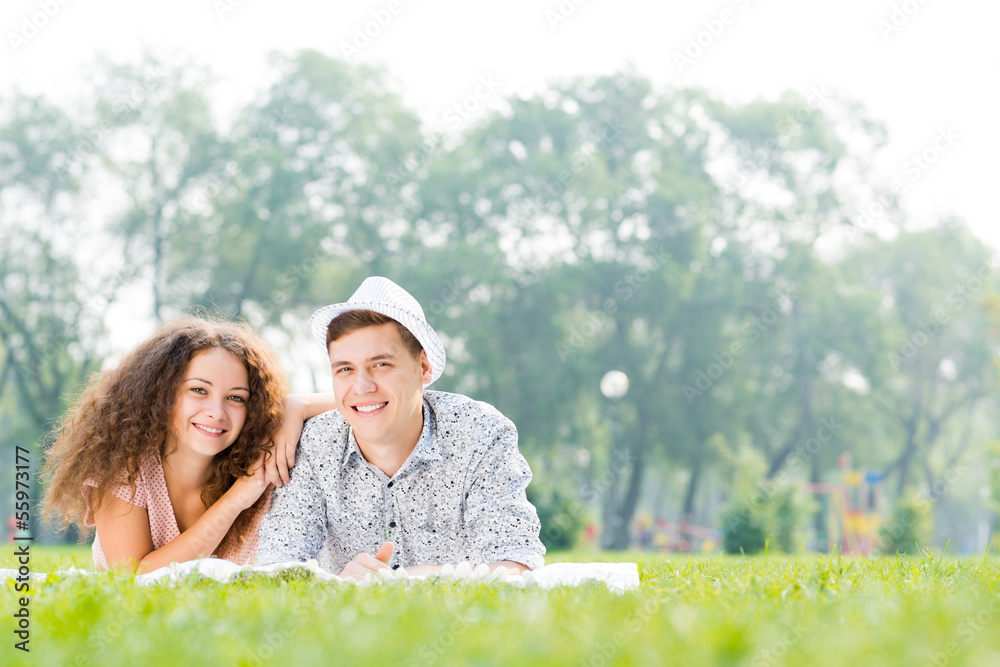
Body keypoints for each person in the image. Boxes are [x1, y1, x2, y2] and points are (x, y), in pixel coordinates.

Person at [255, 277, 545, 579]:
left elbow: (515, 564)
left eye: (381, 365)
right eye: (345, 369)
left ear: (423, 367)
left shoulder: (479, 433)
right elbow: (278, 566)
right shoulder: (314, 445)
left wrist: (404, 579)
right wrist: (339, 587)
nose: (362, 386)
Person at [41, 316, 334, 573]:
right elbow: (133, 577)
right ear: (161, 394)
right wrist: (238, 497)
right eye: (198, 390)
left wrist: (295, 405)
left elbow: (364, 404)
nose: (217, 412)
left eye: (236, 398)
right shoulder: (124, 469)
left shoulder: (256, 456)